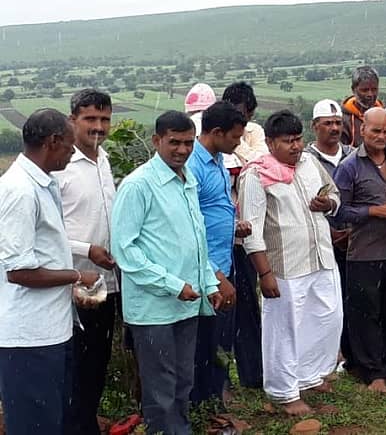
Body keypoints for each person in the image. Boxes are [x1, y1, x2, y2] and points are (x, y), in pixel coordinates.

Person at [111, 111, 222, 435]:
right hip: (153, 309)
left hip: (186, 303)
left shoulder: (188, 179)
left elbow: (196, 241)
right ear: (156, 141)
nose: (183, 150)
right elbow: (125, 251)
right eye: (174, 142)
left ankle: (179, 430)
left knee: (183, 379)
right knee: (161, 385)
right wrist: (172, 284)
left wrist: (209, 282)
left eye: (188, 143)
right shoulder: (138, 185)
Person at [239, 110, 343, 415]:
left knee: (326, 319)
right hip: (284, 266)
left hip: (322, 258)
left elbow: (334, 194)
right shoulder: (256, 174)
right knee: (284, 329)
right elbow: (251, 230)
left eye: (298, 139)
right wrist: (265, 274)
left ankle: (309, 376)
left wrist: (329, 204)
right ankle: (284, 392)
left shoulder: (310, 162)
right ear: (270, 143)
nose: (295, 147)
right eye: (287, 141)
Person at [0, 109, 95, 435]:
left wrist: (78, 261)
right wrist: (76, 276)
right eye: (70, 146)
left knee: (53, 421)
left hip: (52, 329)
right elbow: (19, 271)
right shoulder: (20, 190)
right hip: (28, 338)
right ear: (53, 142)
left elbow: (45, 246)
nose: (72, 153)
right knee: (34, 425)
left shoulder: (43, 183)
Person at [333, 108, 386, 393]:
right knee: (366, 314)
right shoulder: (349, 167)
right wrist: (375, 211)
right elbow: (338, 212)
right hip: (365, 253)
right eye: (376, 131)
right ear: (362, 130)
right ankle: (373, 372)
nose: (382, 136)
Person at [54, 89, 119, 435]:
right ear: (72, 120)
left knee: (97, 361)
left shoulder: (103, 160)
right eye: (90, 119)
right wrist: (86, 248)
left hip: (105, 283)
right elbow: (44, 232)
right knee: (76, 364)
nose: (98, 127)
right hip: (71, 284)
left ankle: (86, 423)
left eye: (104, 119)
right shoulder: (59, 167)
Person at [186, 101, 249, 407]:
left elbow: (213, 212)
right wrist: (215, 274)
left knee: (222, 340)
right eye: (235, 137)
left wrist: (234, 226)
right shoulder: (193, 166)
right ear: (216, 132)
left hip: (225, 261)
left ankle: (217, 400)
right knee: (205, 344)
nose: (238, 143)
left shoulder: (217, 160)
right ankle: (205, 407)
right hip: (207, 272)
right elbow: (189, 225)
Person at [221, 81, 266, 388]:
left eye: (242, 117)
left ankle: (253, 375)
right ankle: (221, 382)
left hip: (246, 235)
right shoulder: (210, 136)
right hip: (221, 239)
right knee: (223, 311)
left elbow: (259, 163)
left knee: (249, 306)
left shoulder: (255, 133)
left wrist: (236, 142)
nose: (239, 123)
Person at [305, 99, 355, 369]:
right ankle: (325, 356)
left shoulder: (354, 154)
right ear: (315, 127)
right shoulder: (306, 160)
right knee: (322, 301)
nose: (334, 128)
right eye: (328, 123)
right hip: (321, 241)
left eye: (338, 123)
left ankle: (350, 352)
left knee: (352, 297)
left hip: (354, 240)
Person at [341, 66, 384, 147]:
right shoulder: (343, 120)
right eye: (365, 90)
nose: (370, 94)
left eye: (374, 89)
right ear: (353, 90)